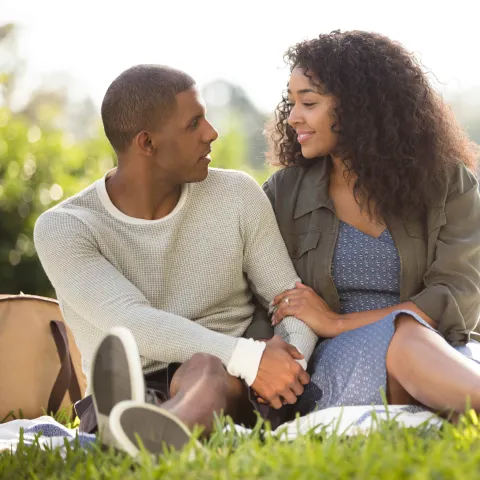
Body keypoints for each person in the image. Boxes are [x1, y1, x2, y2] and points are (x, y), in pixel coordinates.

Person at [33, 64, 318, 455]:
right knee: (168, 369)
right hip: (130, 382)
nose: (211, 133)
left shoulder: (237, 195)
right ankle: (137, 423)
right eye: (194, 123)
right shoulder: (66, 228)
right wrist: (252, 358)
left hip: (232, 379)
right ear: (147, 143)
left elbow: (290, 298)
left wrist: (289, 368)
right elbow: (132, 322)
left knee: (205, 368)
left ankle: (144, 437)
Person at [263, 30, 480, 416]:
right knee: (406, 332)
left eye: (308, 102)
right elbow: (258, 300)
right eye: (291, 102)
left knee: (410, 331)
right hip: (340, 365)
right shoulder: (283, 194)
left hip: (437, 350)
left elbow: (457, 294)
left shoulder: (448, 183)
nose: (293, 116)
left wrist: (336, 321)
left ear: (358, 108)